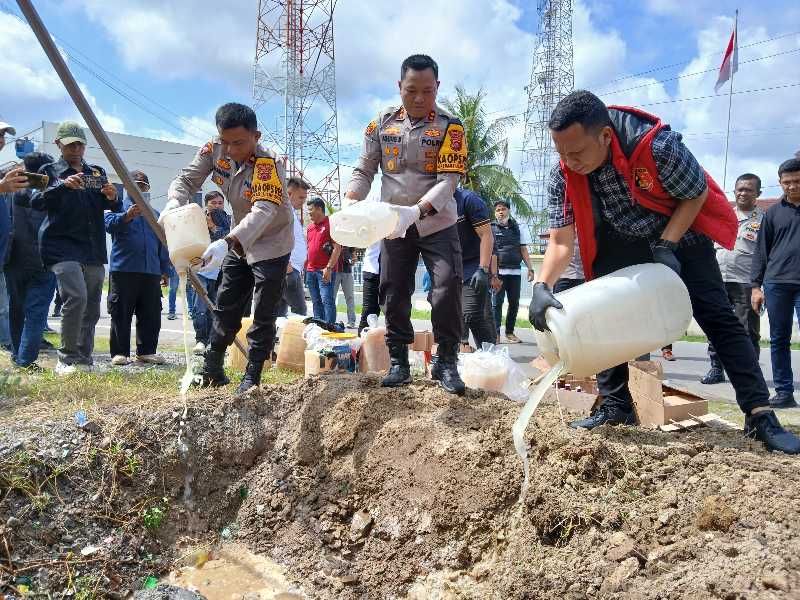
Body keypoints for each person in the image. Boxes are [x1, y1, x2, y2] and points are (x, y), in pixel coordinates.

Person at [529, 90, 799, 454]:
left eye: (576, 152)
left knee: (718, 318)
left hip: (682, 234)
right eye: (561, 152)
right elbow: (561, 242)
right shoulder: (563, 173)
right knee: (605, 317)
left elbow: (696, 193)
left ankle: (759, 413)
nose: (568, 161)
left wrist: (668, 245)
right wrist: (541, 285)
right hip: (618, 240)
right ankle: (616, 407)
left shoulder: (657, 146)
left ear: (605, 136)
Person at [344, 54, 467, 395]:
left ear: (437, 88)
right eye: (411, 90)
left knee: (446, 286)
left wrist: (418, 210)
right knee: (393, 289)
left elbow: (449, 180)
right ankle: (398, 360)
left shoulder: (450, 126)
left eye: (427, 91)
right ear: (399, 86)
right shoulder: (380, 124)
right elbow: (365, 169)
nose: (418, 98)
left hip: (437, 222)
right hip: (392, 223)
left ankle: (446, 361)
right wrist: (352, 197)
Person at [163, 102, 294, 393]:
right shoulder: (214, 150)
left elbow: (263, 211)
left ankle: (252, 375)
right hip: (236, 240)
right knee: (226, 302)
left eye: (239, 143)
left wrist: (226, 242)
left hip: (272, 241)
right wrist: (175, 200)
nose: (232, 150)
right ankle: (212, 368)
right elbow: (186, 179)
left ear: (255, 137)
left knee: (263, 310)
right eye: (226, 141)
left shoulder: (267, 163)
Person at [31, 121, 119, 375]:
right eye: (70, 144)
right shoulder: (49, 170)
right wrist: (62, 186)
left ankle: (84, 358)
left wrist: (113, 196)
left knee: (92, 303)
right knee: (76, 297)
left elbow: (112, 206)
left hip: (91, 246)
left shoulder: (96, 172)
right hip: (60, 246)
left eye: (79, 144)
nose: (76, 149)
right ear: (59, 144)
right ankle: (66, 358)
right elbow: (35, 202)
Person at [699, 173, 765, 384]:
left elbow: (767, 255)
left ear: (758, 193)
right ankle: (716, 368)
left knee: (747, 330)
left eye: (748, 189)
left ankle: (750, 374)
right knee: (715, 326)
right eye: (740, 189)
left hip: (746, 282)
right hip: (718, 279)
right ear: (734, 191)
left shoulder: (764, 220)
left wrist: (760, 286)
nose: (743, 193)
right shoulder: (725, 215)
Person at [104, 170, 171, 365]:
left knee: (151, 312)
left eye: (142, 185)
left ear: (147, 188)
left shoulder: (155, 214)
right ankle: (120, 353)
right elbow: (109, 225)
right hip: (124, 269)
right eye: (135, 185)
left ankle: (147, 351)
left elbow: (162, 242)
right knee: (120, 312)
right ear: (127, 187)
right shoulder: (116, 208)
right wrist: (127, 216)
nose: (139, 188)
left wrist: (165, 269)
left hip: (151, 271)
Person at [751, 158, 800, 409]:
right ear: (780, 182)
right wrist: (756, 287)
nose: (792, 186)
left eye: (797, 181)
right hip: (777, 283)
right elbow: (761, 251)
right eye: (787, 182)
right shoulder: (772, 214)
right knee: (779, 340)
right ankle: (783, 392)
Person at [6, 152, 57, 370]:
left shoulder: (10, 191)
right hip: (43, 260)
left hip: (14, 258)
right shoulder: (51, 194)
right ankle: (25, 360)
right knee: (36, 313)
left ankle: (18, 356)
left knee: (16, 310)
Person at [455, 187, 497, 351]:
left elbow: (486, 235)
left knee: (471, 313)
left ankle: (491, 357)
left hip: (473, 265)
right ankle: (452, 359)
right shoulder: (432, 203)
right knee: (452, 316)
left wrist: (484, 269)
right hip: (449, 267)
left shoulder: (468, 200)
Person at [192, 191, 231, 354]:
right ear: (206, 204)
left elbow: (228, 240)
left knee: (217, 307)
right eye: (213, 203)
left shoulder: (228, 219)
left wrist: (213, 228)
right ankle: (201, 340)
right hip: (200, 271)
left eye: (220, 203)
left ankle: (214, 341)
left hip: (221, 271)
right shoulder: (197, 219)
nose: (217, 206)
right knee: (200, 307)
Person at [491, 200, 535, 344]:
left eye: (503, 209)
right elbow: (489, 251)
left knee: (514, 303)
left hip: (515, 272)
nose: (501, 212)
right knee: (496, 303)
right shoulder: (491, 228)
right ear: (495, 213)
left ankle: (510, 333)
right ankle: (495, 334)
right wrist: (491, 273)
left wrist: (530, 268)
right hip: (498, 273)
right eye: (498, 210)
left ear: (508, 210)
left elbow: (523, 249)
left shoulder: (518, 228)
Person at [304, 197, 341, 324]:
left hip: (325, 271)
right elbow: (308, 248)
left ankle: (329, 329)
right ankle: (319, 329)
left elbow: (337, 247)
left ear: (320, 209)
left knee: (327, 300)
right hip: (310, 271)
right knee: (316, 301)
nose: (309, 213)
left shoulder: (331, 224)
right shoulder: (309, 228)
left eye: (311, 210)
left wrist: (329, 268)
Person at [276, 177, 309, 317]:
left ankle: (274, 339)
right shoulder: (283, 211)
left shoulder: (290, 212)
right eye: (301, 197)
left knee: (280, 312)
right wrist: (286, 262)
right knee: (300, 311)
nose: (303, 201)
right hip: (289, 269)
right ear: (289, 193)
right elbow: (276, 236)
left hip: (291, 269)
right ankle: (293, 339)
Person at [357, 239, 382, 335]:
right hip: (372, 268)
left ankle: (394, 348)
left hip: (392, 270)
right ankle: (361, 347)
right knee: (368, 314)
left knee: (393, 313)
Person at [333, 246, 357, 328]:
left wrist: (353, 259)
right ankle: (330, 320)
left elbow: (353, 253)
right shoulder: (333, 236)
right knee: (331, 298)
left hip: (347, 272)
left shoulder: (348, 238)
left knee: (350, 297)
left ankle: (351, 322)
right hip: (334, 271)